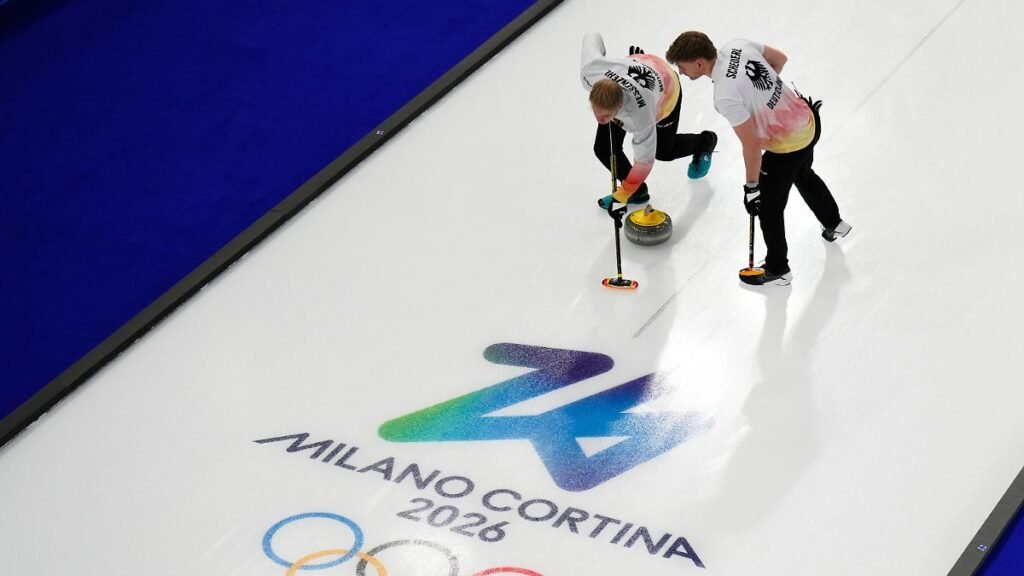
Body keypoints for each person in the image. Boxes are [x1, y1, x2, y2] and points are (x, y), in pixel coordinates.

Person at [666, 31, 852, 286]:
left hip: (787, 146)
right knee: (803, 174)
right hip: (807, 121)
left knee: (768, 208)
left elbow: (751, 144)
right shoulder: (737, 45)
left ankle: (778, 269)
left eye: (683, 67)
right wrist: (768, 98)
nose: (682, 73)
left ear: (699, 63)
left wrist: (752, 187)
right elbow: (780, 60)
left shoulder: (724, 95)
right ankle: (834, 222)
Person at [580, 32, 718, 210]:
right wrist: (616, 62)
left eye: (606, 115)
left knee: (662, 151)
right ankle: (638, 192)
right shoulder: (590, 72)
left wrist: (621, 196)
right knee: (603, 148)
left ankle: (705, 142)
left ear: (620, 107)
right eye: (595, 111)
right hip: (640, 64)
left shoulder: (640, 115)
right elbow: (592, 36)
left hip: (666, 90)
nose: (600, 120)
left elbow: (644, 163)